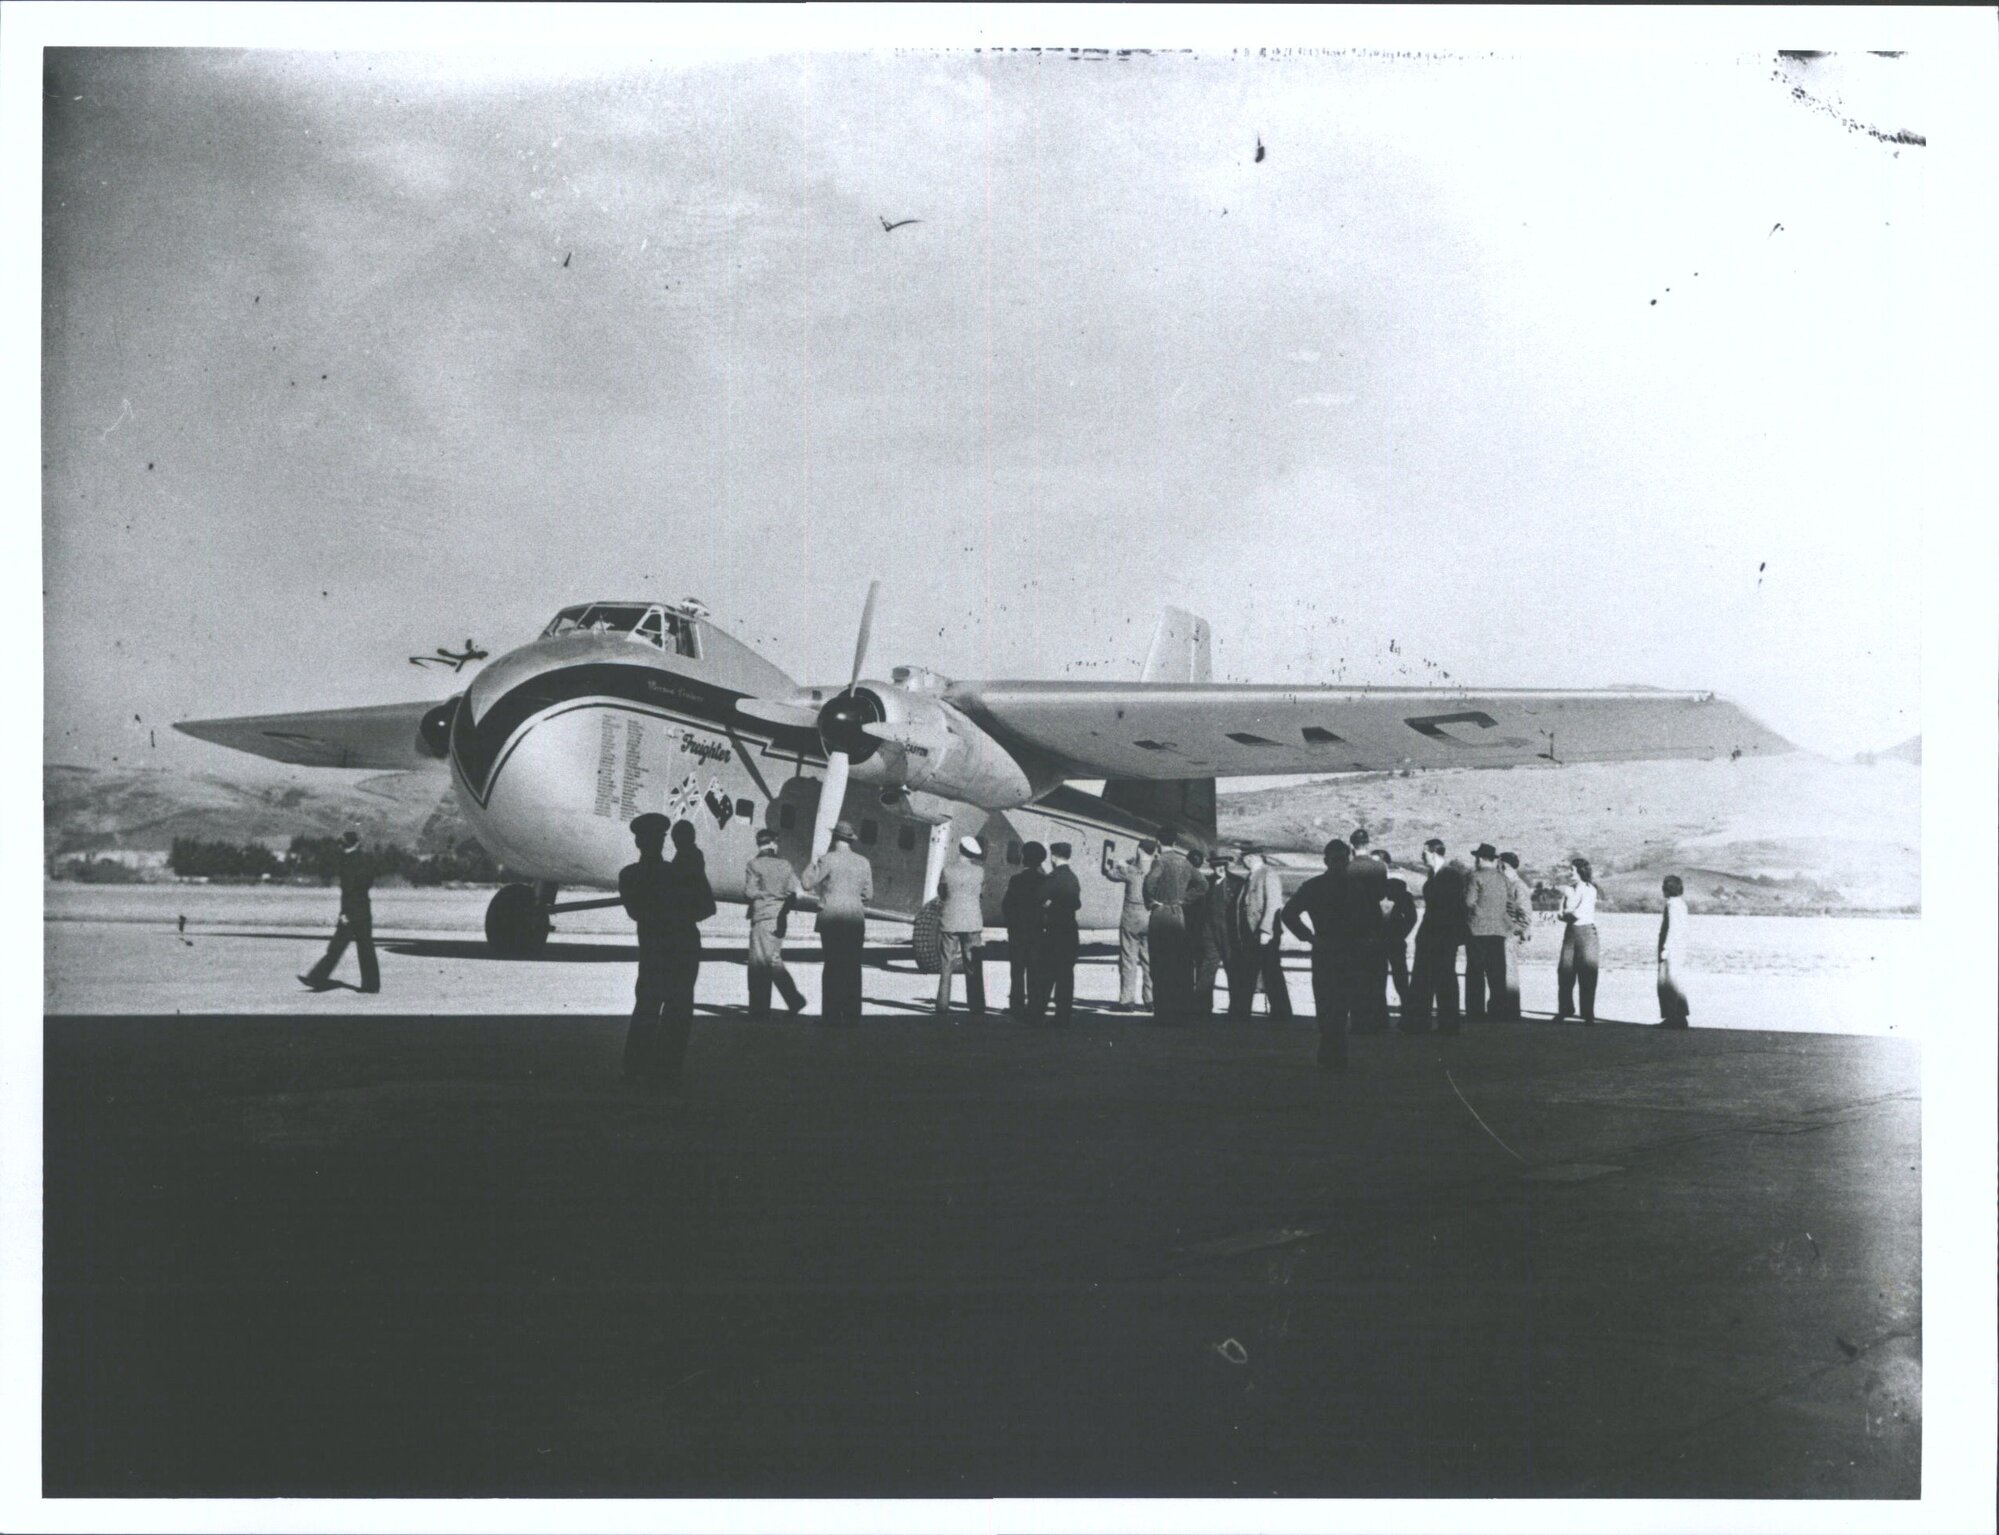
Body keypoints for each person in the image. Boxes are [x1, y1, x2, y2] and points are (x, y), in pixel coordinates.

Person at [619, 815, 716, 1084]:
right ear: (663, 841)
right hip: (684, 950)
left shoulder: (629, 875)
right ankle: (667, 1073)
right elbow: (707, 907)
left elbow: (636, 912)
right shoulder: (679, 872)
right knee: (678, 1012)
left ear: (638, 842)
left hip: (653, 951)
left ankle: (633, 1069)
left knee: (646, 1008)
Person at [1280, 839, 1377, 1070]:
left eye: (1342, 859)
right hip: (1334, 951)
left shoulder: (1349, 887)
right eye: (1337, 860)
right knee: (1331, 1004)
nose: (1340, 864)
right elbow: (1288, 913)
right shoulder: (1329, 887)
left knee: (1335, 1005)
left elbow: (1371, 919)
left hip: (1341, 952)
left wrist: (1366, 942)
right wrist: (1310, 937)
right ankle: (1333, 1055)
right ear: (1327, 861)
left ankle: (1331, 1056)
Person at [804, 820, 873, 1027]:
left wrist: (812, 862)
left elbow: (807, 883)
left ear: (834, 838)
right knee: (853, 967)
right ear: (851, 840)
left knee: (832, 967)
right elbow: (868, 894)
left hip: (831, 919)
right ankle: (852, 1016)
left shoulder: (827, 859)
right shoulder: (863, 862)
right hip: (855, 919)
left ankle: (831, 1016)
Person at [299, 829, 380, 993]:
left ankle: (316, 978)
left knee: (336, 947)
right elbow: (367, 882)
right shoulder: (366, 859)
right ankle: (371, 985)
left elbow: (348, 889)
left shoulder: (347, 861)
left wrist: (345, 913)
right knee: (366, 948)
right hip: (364, 909)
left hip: (351, 912)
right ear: (357, 843)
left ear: (343, 844)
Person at [1143, 827, 1205, 1024]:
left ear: (1158, 842)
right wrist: (1184, 900)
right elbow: (1202, 884)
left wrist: (1152, 901)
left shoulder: (1160, 861)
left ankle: (1163, 1013)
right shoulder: (1185, 862)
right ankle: (1181, 1011)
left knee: (1160, 964)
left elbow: (1149, 883)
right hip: (1178, 915)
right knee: (1179, 964)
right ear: (1176, 843)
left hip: (1161, 914)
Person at [743, 828, 806, 1018]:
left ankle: (759, 1010)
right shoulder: (785, 865)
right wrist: (782, 907)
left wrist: (764, 895)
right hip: (779, 920)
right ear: (771, 843)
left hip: (763, 918)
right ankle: (794, 999)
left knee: (758, 965)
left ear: (760, 844)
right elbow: (797, 892)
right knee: (773, 960)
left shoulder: (754, 864)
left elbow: (749, 893)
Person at [1408, 839, 1469, 1034]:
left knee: (1444, 977)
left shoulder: (1449, 875)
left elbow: (1451, 907)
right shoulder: (1435, 874)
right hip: (1432, 932)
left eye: (1424, 852)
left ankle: (1447, 1023)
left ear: (1433, 852)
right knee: (1425, 977)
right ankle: (1423, 1021)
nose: (1421, 856)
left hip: (1443, 933)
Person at [1028, 842, 1083, 1025]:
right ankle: (1063, 1016)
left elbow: (1038, 899)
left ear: (1053, 857)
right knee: (1066, 976)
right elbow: (1076, 904)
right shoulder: (1073, 878)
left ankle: (1038, 1013)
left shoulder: (1053, 878)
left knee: (1046, 974)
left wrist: (1049, 905)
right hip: (1070, 931)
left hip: (1054, 932)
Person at [935, 835, 989, 1018]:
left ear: (959, 849)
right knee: (973, 965)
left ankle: (942, 1005)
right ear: (973, 854)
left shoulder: (947, 870)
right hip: (972, 921)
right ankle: (976, 1006)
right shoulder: (979, 872)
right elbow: (981, 894)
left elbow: (942, 893)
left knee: (946, 964)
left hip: (950, 920)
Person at [1236, 847, 1292, 1019]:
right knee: (1249, 971)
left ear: (1253, 858)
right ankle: (1242, 1011)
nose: (1243, 861)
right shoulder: (1252, 875)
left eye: (1245, 858)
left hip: (1263, 932)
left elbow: (1273, 903)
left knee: (1271, 971)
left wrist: (1266, 930)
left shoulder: (1268, 874)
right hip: (1250, 931)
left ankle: (1281, 1012)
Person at [1193, 847, 1248, 1020]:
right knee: (1207, 969)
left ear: (1227, 865)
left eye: (1223, 865)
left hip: (1230, 933)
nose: (1220, 868)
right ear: (1212, 867)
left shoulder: (1238, 883)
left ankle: (1237, 1010)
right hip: (1209, 933)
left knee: (1234, 969)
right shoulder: (1206, 883)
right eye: (1217, 866)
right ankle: (1202, 1008)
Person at [1102, 838, 1156, 1011]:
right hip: (1151, 917)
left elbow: (1110, 874)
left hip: (1131, 918)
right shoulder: (1157, 869)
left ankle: (1126, 1000)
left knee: (1128, 959)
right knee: (1149, 960)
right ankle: (1150, 1000)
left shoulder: (1131, 870)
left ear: (1139, 850)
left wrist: (1121, 864)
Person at [1344, 837, 1390, 1033]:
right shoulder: (1378, 867)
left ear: (1352, 845)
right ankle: (1380, 1020)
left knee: (1356, 975)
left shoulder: (1347, 867)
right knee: (1376, 974)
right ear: (1368, 844)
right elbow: (1382, 894)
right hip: (1374, 923)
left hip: (1352, 925)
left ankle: (1360, 1021)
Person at [1462, 843, 1510, 1021]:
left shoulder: (1475, 876)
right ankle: (1498, 1011)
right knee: (1497, 973)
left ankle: (1475, 1012)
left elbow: (1468, 902)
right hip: (1498, 930)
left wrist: (1475, 914)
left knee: (1475, 972)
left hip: (1477, 930)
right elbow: (1508, 903)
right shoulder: (1503, 878)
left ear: (1480, 859)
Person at [1001, 841, 1049, 1018]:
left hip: (1018, 933)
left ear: (1025, 858)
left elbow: (1007, 906)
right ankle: (1034, 1007)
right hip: (1037, 933)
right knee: (1034, 971)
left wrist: (1012, 924)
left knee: (1017, 971)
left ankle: (1016, 1006)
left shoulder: (1016, 880)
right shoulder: (1045, 881)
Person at [1555, 856, 1602, 1026]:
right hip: (1570, 933)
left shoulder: (1590, 890)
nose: (1569, 873)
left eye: (1572, 870)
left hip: (1586, 933)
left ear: (1580, 871)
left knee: (1587, 973)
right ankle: (1565, 1009)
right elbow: (1560, 913)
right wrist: (1567, 913)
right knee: (1564, 971)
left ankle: (1588, 1014)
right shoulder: (1568, 889)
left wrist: (1567, 913)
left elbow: (1577, 914)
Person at [1375, 850, 1417, 1018]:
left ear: (1386, 864)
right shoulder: (1368, 888)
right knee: (1377, 978)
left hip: (1394, 940)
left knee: (1400, 977)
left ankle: (1407, 1010)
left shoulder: (1399, 887)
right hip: (1376, 941)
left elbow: (1411, 917)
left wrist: (1400, 934)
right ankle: (1380, 1014)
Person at [1499, 851, 1533, 1020]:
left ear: (1503, 865)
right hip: (1503, 933)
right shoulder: (1507, 884)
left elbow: (1525, 916)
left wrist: (1514, 931)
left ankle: (1511, 1012)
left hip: (1510, 935)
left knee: (1509, 973)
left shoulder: (1518, 886)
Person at [1657, 874, 1691, 1027]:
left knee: (1667, 983)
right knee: (1677, 981)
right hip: (1680, 947)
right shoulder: (1681, 904)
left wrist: (1666, 948)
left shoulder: (1672, 904)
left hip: (1671, 947)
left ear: (1667, 889)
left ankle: (1671, 1017)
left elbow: (1673, 929)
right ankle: (1681, 1016)